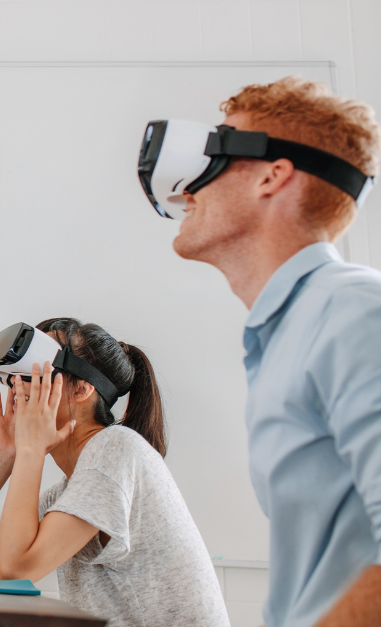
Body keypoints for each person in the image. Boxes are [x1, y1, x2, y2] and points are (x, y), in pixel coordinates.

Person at [169, 77, 381, 627]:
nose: (186, 190)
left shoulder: (353, 312)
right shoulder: (284, 332)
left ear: (271, 175)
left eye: (213, 158)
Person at [0, 318, 229, 627]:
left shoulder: (116, 449)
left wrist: (30, 451)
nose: (19, 386)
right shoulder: (67, 494)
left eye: (36, 374)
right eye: (16, 378)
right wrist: (3, 455)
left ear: (82, 388)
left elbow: (13, 575)